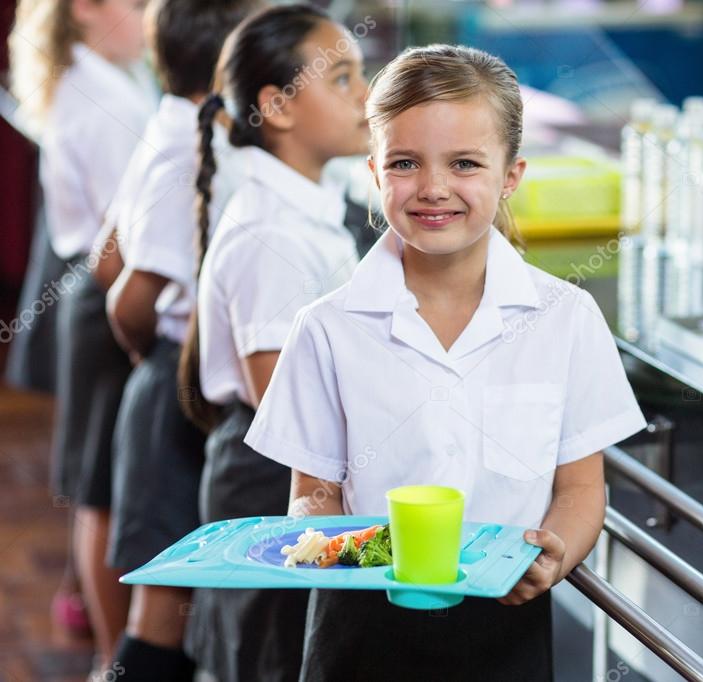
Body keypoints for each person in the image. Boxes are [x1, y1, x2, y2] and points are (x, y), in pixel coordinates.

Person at [245, 44, 647, 681]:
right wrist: (348, 555)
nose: (433, 188)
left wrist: (555, 554)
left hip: (507, 629)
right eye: (405, 163)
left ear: (511, 174)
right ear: (375, 172)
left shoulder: (565, 319)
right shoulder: (327, 328)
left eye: (464, 163)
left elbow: (579, 489)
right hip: (361, 628)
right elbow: (313, 496)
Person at [178, 5, 369, 681]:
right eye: (342, 78)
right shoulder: (272, 234)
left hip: (298, 474)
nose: (366, 96)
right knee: (269, 662)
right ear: (277, 108)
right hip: (273, 480)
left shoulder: (305, 204)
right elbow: (280, 406)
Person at [99, 1, 259, 679]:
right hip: (172, 390)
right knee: (159, 618)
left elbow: (107, 255)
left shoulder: (179, 131)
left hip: (175, 380)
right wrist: (161, 364)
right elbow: (130, 294)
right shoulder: (187, 151)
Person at [8, 0, 154, 671]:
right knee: (97, 487)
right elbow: (114, 240)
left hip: (106, 291)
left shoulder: (114, 76)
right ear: (86, 10)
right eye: (137, 4)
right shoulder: (93, 98)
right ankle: (108, 658)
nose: (151, 16)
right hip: (105, 297)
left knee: (104, 481)